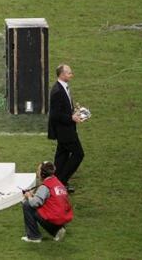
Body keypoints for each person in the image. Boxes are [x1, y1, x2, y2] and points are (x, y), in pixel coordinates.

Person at [47, 64, 85, 193]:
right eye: (69, 73)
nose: (71, 74)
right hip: (65, 131)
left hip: (65, 129)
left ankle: (56, 181)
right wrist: (71, 118)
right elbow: (55, 114)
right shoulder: (57, 91)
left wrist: (74, 112)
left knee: (61, 156)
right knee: (78, 154)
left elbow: (62, 109)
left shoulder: (62, 88)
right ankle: (62, 181)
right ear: (62, 74)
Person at [20, 161, 73, 243]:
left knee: (27, 205)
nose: (37, 173)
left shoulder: (45, 187)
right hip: (63, 216)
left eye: (38, 171)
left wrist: (28, 196)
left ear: (43, 174)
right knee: (37, 205)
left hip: (55, 216)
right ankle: (57, 230)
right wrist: (33, 196)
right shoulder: (57, 182)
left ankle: (34, 237)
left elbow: (34, 203)